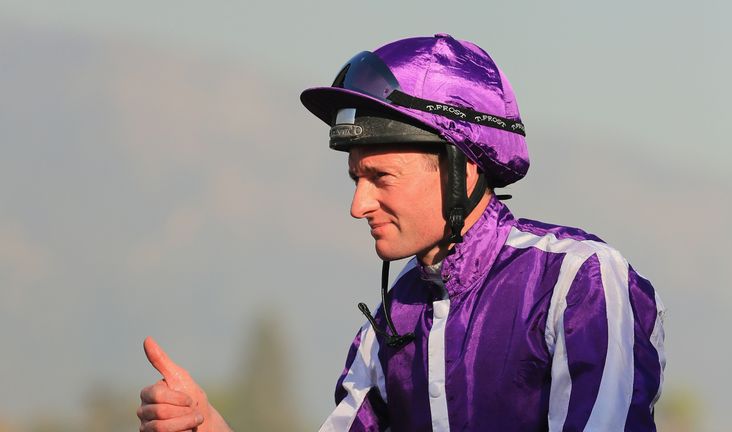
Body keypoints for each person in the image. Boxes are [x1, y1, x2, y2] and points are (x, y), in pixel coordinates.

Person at [137, 34, 666, 432]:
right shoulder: (390, 322)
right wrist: (209, 426)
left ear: (463, 169)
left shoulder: (579, 280)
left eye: (380, 177)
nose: (358, 206)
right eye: (356, 179)